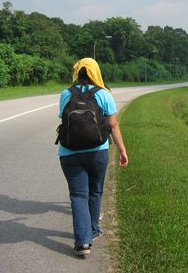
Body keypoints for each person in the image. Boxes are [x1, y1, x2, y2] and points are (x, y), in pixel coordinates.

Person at [58, 58, 129, 256]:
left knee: (78, 195)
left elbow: (64, 120)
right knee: (95, 191)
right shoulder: (103, 94)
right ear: (95, 72)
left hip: (69, 153)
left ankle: (82, 243)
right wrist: (122, 150)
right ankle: (94, 230)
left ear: (77, 72)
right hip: (98, 151)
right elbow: (113, 125)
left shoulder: (66, 94)